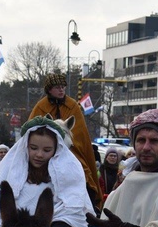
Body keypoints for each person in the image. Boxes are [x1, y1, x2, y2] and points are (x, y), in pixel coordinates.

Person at [30, 73, 103, 209]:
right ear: (49, 90)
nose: (61, 90)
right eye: (57, 87)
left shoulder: (72, 105)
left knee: (84, 172)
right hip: (44, 151)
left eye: (63, 87)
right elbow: (31, 131)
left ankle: (90, 206)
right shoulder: (40, 107)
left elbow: (80, 134)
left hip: (71, 151)